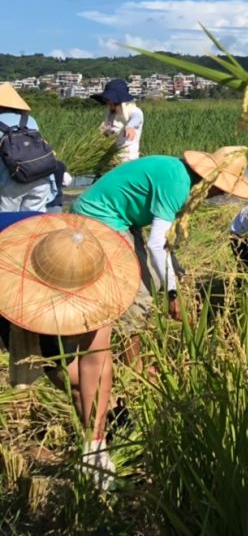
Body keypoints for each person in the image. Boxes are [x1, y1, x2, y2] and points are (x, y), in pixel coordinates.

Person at [0, 210, 141, 489]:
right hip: (15, 271)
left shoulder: (87, 265)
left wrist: (96, 444)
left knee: (72, 377)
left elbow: (95, 363)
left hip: (45, 271)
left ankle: (98, 441)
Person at [71, 147, 248, 340]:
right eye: (219, 188)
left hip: (123, 219)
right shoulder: (178, 184)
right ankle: (135, 363)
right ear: (208, 179)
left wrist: (176, 273)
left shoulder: (185, 178)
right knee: (137, 292)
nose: (219, 194)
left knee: (156, 279)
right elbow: (156, 244)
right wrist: (173, 294)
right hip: (97, 216)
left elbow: (167, 238)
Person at [0, 83, 56, 212]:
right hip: (40, 176)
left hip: (10, 181)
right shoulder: (29, 120)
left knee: (8, 226)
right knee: (33, 224)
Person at [93, 79, 144, 163]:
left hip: (128, 160)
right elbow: (106, 133)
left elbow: (136, 118)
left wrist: (129, 126)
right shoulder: (112, 115)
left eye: (108, 99)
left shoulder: (134, 111)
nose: (107, 102)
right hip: (113, 159)